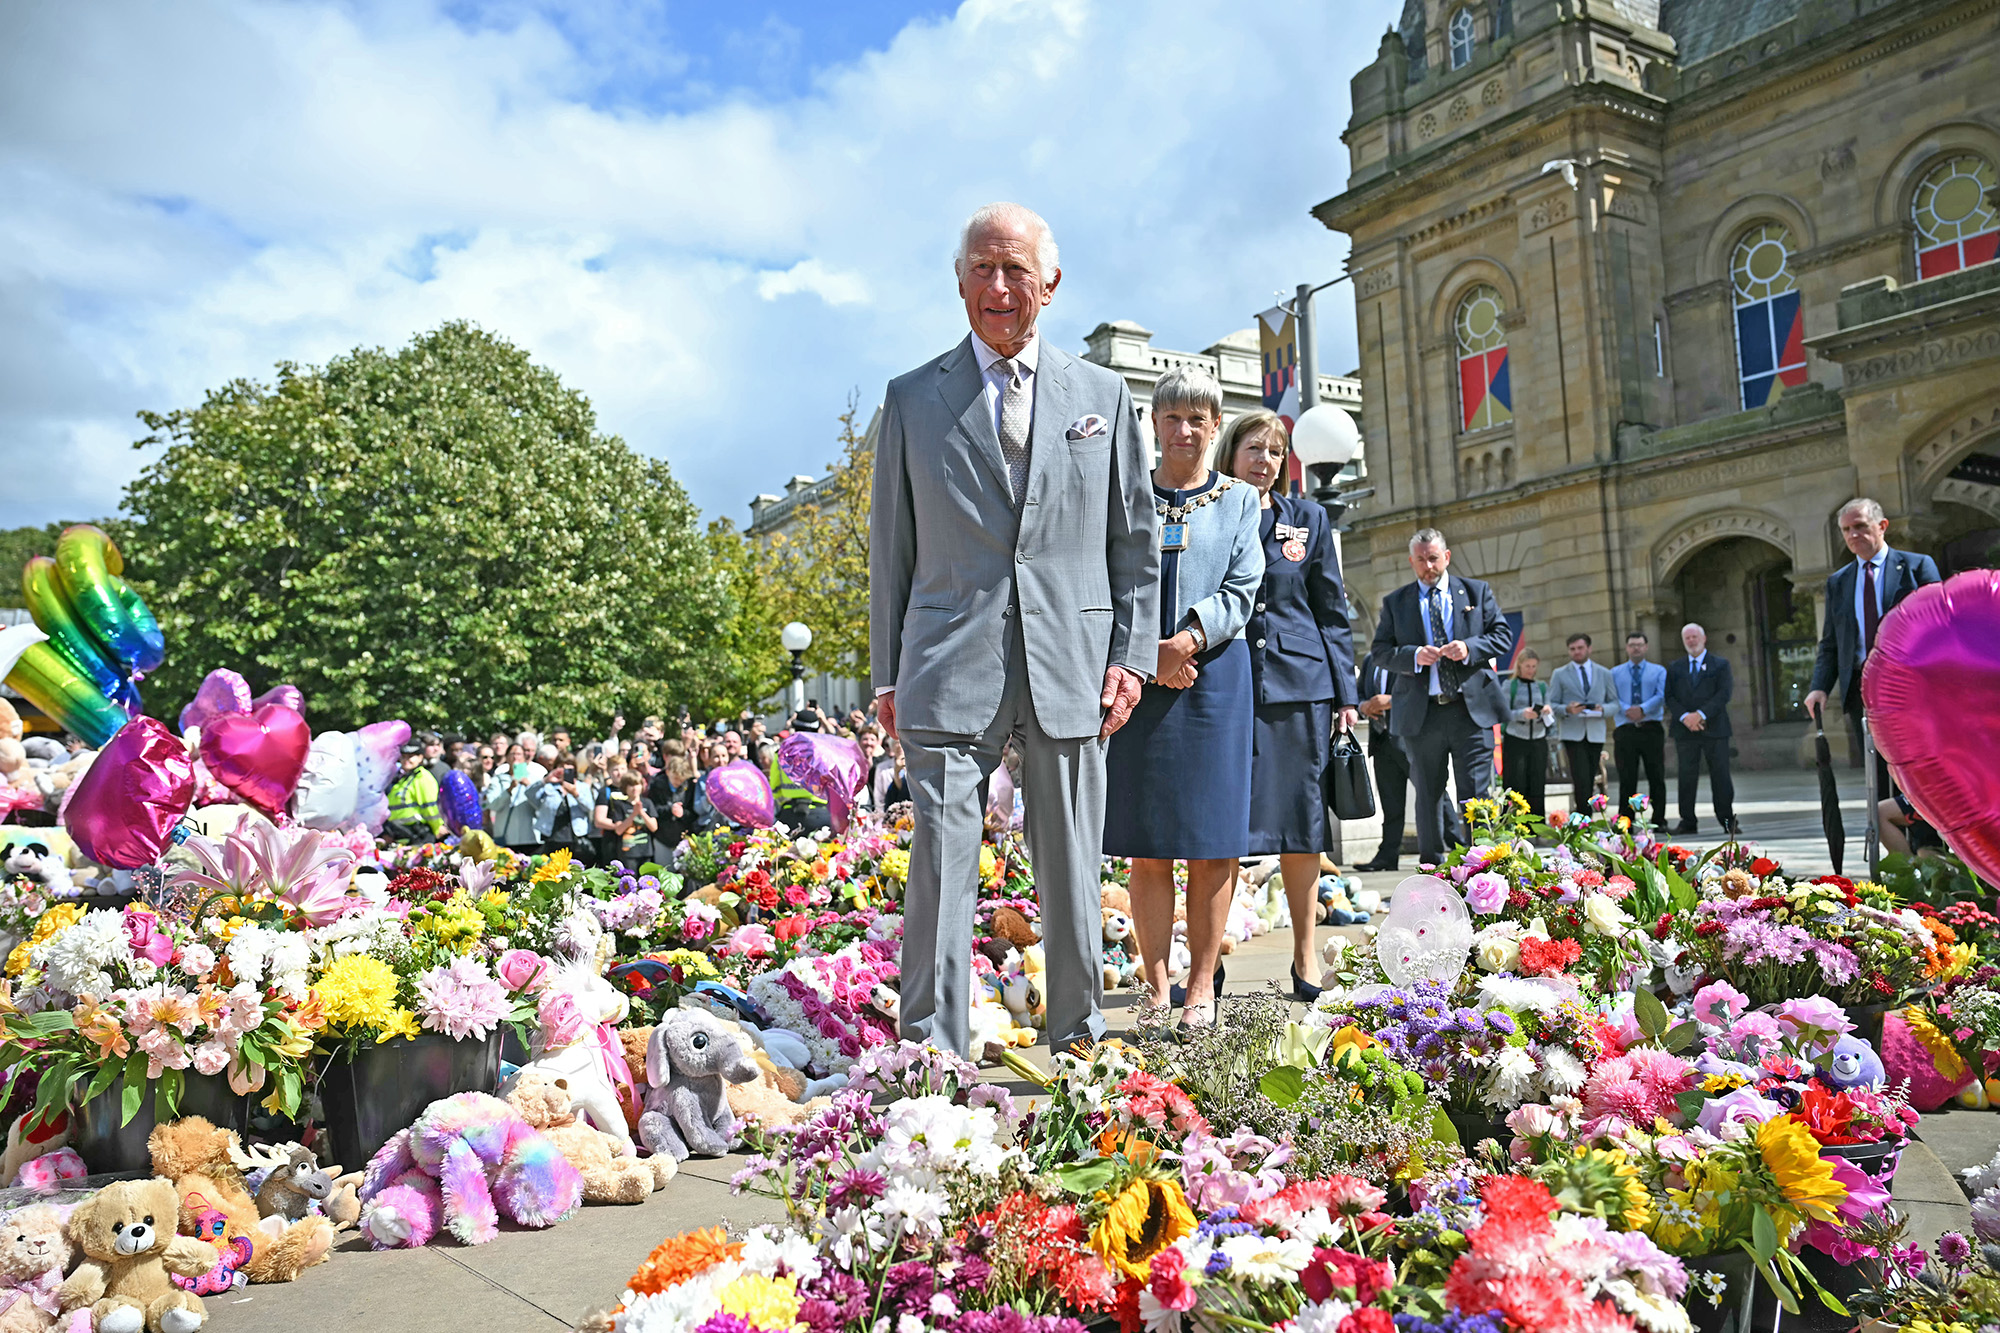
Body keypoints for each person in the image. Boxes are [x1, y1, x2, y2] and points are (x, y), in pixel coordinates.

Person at [869, 201, 1158, 1060]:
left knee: (1072, 870)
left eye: (1016, 270)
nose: (999, 287)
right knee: (942, 869)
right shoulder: (913, 398)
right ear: (960, 283)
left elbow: (1133, 540)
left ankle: (1079, 1045)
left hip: (1072, 661)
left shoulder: (1102, 396)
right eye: (982, 270)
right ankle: (932, 1057)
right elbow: (894, 547)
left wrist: (1132, 659)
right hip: (948, 665)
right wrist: (887, 676)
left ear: (1050, 284)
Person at [1098, 365, 1260, 1030]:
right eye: (1173, 417)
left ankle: (1201, 986)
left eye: (1199, 418)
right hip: (1137, 683)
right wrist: (1147, 655)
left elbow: (1244, 586)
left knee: (1212, 842)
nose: (1185, 429)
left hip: (1214, 680)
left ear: (1216, 426)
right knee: (1149, 841)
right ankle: (1155, 984)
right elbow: (1106, 579)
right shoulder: (1128, 496)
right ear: (1154, 425)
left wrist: (1185, 641)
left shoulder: (1240, 501)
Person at [1216, 408, 1358, 1000]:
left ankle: (1303, 958)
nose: (1265, 461)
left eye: (1275, 452)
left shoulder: (1309, 518)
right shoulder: (1205, 510)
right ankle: (1208, 959)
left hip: (1302, 687)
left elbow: (1331, 610)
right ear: (1230, 453)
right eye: (1254, 448)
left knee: (1302, 828)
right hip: (1226, 685)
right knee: (1219, 828)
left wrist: (1346, 695)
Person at [1366, 529, 1512, 863]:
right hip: (1423, 713)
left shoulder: (1476, 592)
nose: (1428, 566)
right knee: (1428, 795)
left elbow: (1502, 635)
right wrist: (1414, 655)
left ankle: (1483, 868)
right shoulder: (1396, 602)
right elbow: (1380, 652)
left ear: (1446, 557)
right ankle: (1432, 869)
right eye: (1420, 560)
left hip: (1470, 711)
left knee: (1475, 796)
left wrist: (1470, 648)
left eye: (1433, 558)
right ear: (1411, 562)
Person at [1804, 498, 1941, 795]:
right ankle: (1889, 838)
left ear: (1882, 526)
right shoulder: (1838, 582)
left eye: (1861, 527)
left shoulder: (1916, 567)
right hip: (1862, 689)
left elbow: (1938, 628)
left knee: (1915, 766)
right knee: (1877, 770)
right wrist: (1819, 687)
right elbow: (1830, 643)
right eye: (1846, 529)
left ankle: (1923, 840)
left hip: (1909, 685)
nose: (1853, 535)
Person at [1664, 622, 1739, 836]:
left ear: (1704, 638)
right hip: (1685, 730)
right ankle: (1687, 821)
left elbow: (1724, 694)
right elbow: (1669, 696)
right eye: (1687, 637)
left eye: (1694, 636)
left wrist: (1701, 714)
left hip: (1715, 729)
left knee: (1721, 775)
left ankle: (1727, 821)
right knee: (1686, 776)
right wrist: (1686, 717)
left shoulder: (1720, 664)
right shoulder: (1675, 667)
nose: (1691, 641)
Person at [1548, 633, 1618, 818]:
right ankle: (1583, 818)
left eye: (1580, 648)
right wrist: (1567, 709)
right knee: (1580, 777)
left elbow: (1615, 703)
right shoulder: (1560, 674)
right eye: (1572, 649)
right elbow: (1552, 704)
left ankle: (1586, 816)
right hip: (1573, 732)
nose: (1576, 652)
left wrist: (1602, 709)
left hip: (1595, 731)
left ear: (1589, 648)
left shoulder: (1604, 673)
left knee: (1589, 776)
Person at [1612, 631, 1670, 831]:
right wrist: (1627, 709)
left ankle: (1660, 819)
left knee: (1656, 775)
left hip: (1651, 728)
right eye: (1632, 645)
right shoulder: (1615, 673)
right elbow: (1612, 696)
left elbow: (1661, 695)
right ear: (1627, 648)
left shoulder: (1658, 671)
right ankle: (1625, 822)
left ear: (1646, 647)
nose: (1635, 648)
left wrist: (1642, 709)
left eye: (1639, 644)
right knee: (1627, 777)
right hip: (1625, 729)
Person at [1500, 649, 1553, 820]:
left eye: (1534, 666)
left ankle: (1536, 825)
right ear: (1519, 665)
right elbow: (1503, 712)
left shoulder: (1542, 686)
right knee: (1515, 783)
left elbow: (1550, 709)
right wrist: (1522, 713)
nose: (1531, 670)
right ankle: (1512, 823)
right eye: (1527, 666)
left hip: (1538, 739)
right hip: (1516, 739)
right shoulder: (1510, 685)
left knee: (1537, 783)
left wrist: (1546, 711)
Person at [384, 743, 444, 844]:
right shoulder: (400, 778)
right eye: (404, 757)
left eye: (411, 757)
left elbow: (430, 807)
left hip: (418, 834)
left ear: (420, 758)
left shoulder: (423, 778)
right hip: (397, 833)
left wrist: (437, 827)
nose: (406, 760)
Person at [595, 773, 658, 869]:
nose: (634, 788)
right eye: (631, 785)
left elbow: (654, 827)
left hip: (646, 851)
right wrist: (633, 814)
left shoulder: (647, 803)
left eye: (637, 784)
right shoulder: (619, 805)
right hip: (628, 853)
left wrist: (641, 812)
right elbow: (619, 830)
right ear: (625, 788)